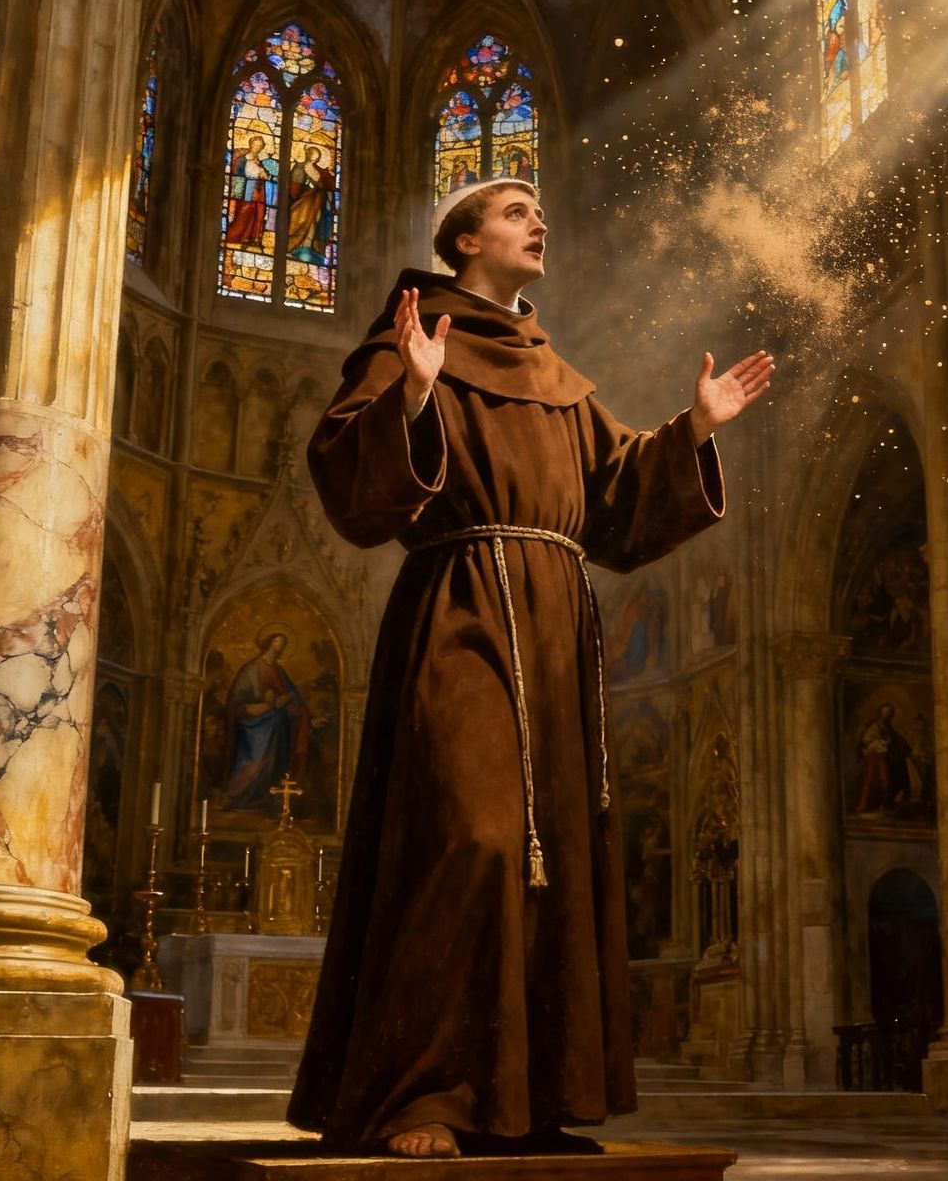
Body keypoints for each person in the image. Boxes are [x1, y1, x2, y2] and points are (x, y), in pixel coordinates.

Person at [288, 176, 774, 1158]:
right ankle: (423, 1093)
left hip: (557, 624)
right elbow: (348, 473)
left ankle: (526, 1096)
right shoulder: (415, 331)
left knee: (557, 856)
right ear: (464, 240)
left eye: (539, 212)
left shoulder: (552, 367)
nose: (537, 222)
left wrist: (692, 434)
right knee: (471, 835)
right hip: (462, 605)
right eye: (515, 212)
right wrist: (416, 397)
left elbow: (618, 499)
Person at [222, 625, 310, 812]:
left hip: (277, 725)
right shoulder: (250, 670)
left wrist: (285, 700)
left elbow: (293, 695)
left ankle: (265, 797)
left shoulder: (279, 671)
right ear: (268, 643)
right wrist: (263, 703)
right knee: (254, 763)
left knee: (274, 761)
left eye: (283, 644)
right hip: (255, 725)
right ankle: (239, 795)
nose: (279, 647)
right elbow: (238, 701)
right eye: (277, 642)